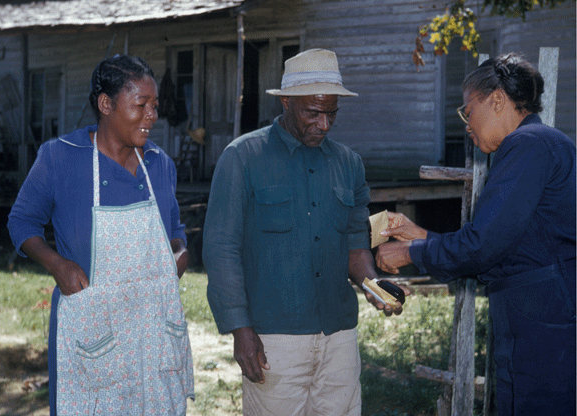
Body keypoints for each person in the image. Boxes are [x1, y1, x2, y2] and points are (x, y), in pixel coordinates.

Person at [202, 48, 409, 416]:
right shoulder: (243, 157)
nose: (324, 124)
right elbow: (221, 250)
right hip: (273, 338)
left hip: (339, 337)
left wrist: (373, 286)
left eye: (332, 113)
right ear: (286, 101)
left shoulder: (349, 164)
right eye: (312, 112)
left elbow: (355, 245)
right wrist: (240, 330)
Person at [376, 53, 575, 416]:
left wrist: (408, 253)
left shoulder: (528, 144)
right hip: (541, 316)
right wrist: (416, 233)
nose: (467, 125)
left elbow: (482, 247)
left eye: (468, 111)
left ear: (496, 99)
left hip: (545, 326)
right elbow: (500, 244)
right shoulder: (541, 144)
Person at [7, 55, 194, 415]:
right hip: (94, 329)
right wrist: (57, 264)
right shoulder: (61, 158)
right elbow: (22, 221)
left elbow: (174, 230)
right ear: (106, 104)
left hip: (153, 327)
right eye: (141, 105)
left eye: (154, 106)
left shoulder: (159, 164)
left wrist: (179, 250)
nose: (152, 116)